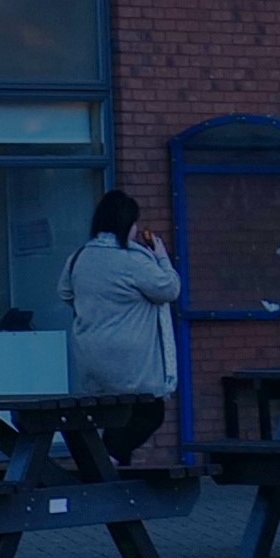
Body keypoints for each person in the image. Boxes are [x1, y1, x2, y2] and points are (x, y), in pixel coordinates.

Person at [62, 189, 185, 465]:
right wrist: (161, 255)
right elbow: (169, 289)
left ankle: (113, 471)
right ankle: (105, 459)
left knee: (115, 416)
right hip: (131, 358)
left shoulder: (79, 257)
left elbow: (66, 293)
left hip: (91, 355)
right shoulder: (134, 259)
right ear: (126, 223)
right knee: (150, 413)